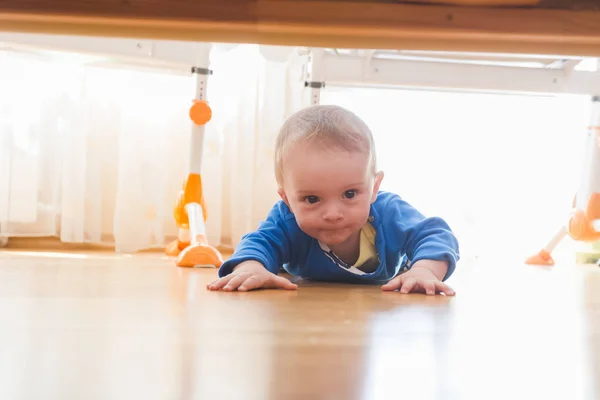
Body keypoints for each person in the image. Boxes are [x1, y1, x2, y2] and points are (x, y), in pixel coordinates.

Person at [207, 104, 460, 295]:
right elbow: (258, 242)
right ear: (287, 200)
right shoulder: (286, 219)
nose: (333, 213)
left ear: (374, 187)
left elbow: (436, 235)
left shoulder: (389, 212)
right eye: (312, 199)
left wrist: (424, 270)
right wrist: (250, 268)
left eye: (350, 194)